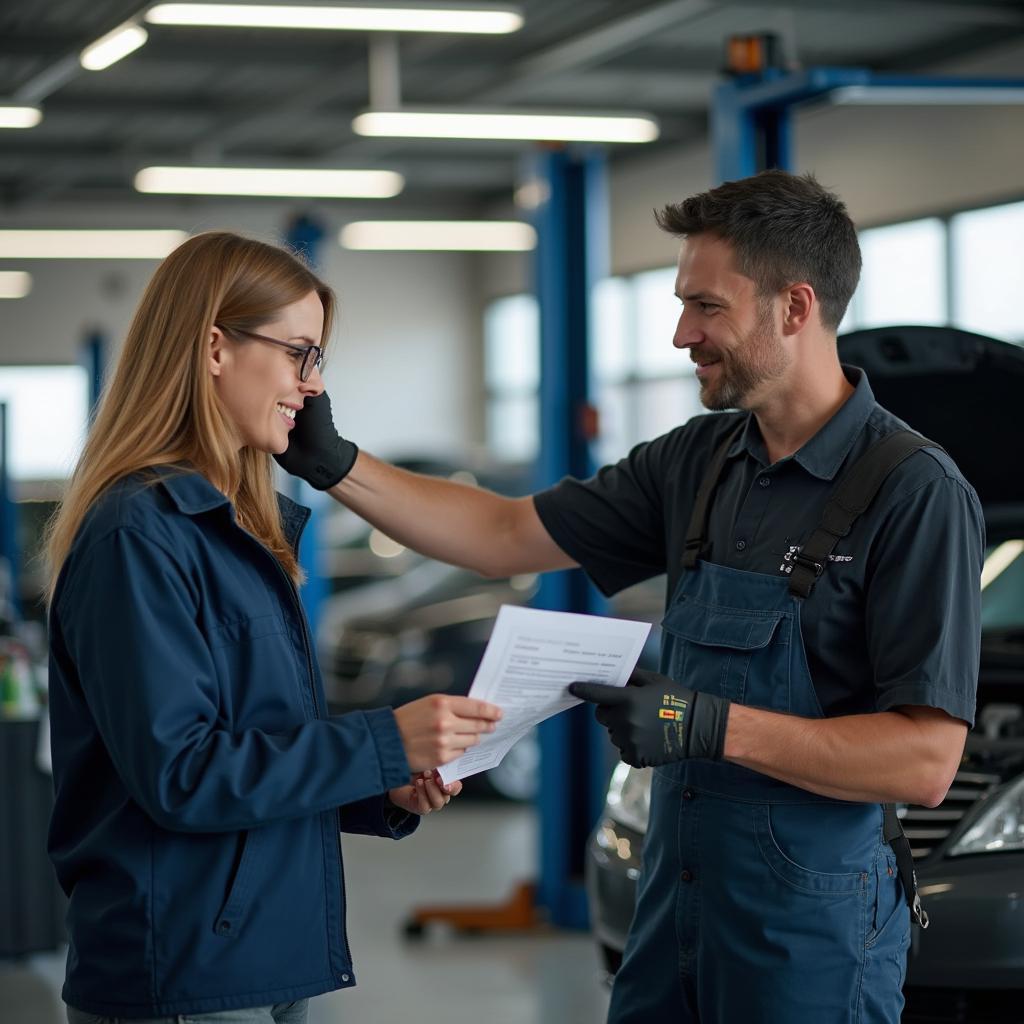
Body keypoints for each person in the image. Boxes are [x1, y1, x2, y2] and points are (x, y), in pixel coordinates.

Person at [267, 170, 983, 1023]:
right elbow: (503, 534)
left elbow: (924, 761)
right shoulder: (698, 460)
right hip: (674, 909)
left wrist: (704, 723)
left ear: (795, 307)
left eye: (706, 306)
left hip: (812, 936)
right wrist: (337, 465)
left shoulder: (913, 492)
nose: (682, 333)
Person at [44, 231, 502, 1024]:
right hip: (187, 966)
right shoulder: (138, 535)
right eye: (299, 354)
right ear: (215, 346)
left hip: (274, 951)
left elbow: (260, 744)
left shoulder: (240, 528)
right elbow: (181, 774)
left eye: (318, 359)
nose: (313, 388)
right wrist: (382, 743)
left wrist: (380, 784)